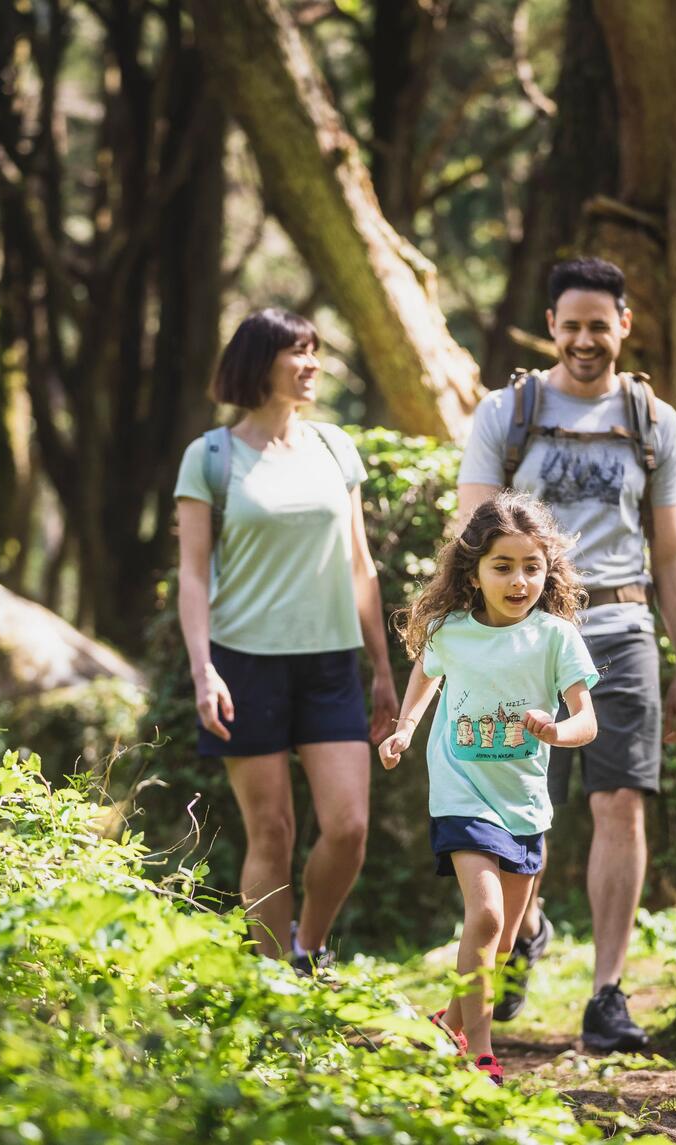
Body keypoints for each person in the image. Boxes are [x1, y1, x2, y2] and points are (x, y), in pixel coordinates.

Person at [455, 257, 676, 1051]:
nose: (586, 339)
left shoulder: (655, 421)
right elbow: (471, 541)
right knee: (523, 800)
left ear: (625, 325)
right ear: (550, 326)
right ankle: (521, 935)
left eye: (602, 324)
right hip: (520, 636)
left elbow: (673, 552)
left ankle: (607, 993)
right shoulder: (507, 412)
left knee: (619, 802)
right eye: (572, 325)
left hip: (621, 628)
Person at [174, 308, 398, 974]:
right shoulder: (210, 457)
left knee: (349, 827)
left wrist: (383, 667)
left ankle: (311, 943)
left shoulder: (334, 448)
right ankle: (275, 986)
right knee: (270, 832)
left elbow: (361, 564)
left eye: (315, 351)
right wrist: (202, 670)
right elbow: (191, 574)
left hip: (330, 662)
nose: (310, 365)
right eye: (295, 352)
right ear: (259, 362)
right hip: (244, 663)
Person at [378, 491, 600, 1086]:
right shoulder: (451, 630)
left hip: (524, 804)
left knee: (500, 942)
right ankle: (479, 1051)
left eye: (531, 566)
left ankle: (449, 1020)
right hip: (462, 793)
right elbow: (426, 673)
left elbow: (587, 719)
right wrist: (403, 731)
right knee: (487, 914)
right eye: (502, 566)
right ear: (473, 573)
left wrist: (557, 728)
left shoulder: (556, 638)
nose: (519, 580)